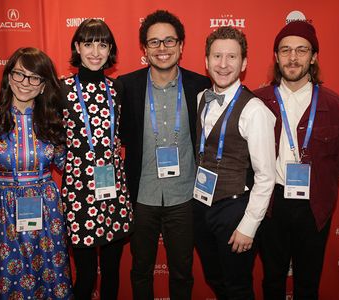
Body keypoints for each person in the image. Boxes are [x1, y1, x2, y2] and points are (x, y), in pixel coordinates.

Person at [254, 21, 339, 300]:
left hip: (314, 206)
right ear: (276, 57)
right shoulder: (257, 101)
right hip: (271, 204)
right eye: (285, 50)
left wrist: (320, 179)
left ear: (313, 57)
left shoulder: (337, 107)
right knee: (272, 280)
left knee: (308, 284)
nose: (293, 57)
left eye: (301, 50)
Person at [118, 10, 211, 300]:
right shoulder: (126, 86)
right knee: (141, 271)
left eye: (169, 41)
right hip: (142, 195)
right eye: (154, 42)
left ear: (182, 46)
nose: (162, 49)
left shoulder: (201, 87)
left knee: (182, 273)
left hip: (184, 195)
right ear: (144, 49)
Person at [0, 47, 72, 299]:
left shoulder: (54, 123)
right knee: (11, 284)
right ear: (8, 77)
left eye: (34, 77)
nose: (25, 83)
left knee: (53, 279)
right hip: (4, 215)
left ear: (43, 85)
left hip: (48, 212)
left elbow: (68, 165)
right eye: (18, 74)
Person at [193, 26, 276, 299]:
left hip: (234, 210)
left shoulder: (255, 111)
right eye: (217, 56)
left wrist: (248, 225)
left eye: (232, 57)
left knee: (237, 288)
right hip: (202, 206)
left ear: (244, 64)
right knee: (215, 279)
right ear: (206, 62)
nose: (223, 64)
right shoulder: (200, 99)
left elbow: (266, 175)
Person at [60, 19, 133, 300]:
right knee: (87, 275)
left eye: (102, 44)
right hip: (78, 192)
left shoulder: (118, 89)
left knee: (112, 273)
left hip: (113, 190)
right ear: (77, 47)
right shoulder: (60, 89)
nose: (95, 51)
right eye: (88, 43)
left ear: (110, 49)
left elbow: (123, 134)